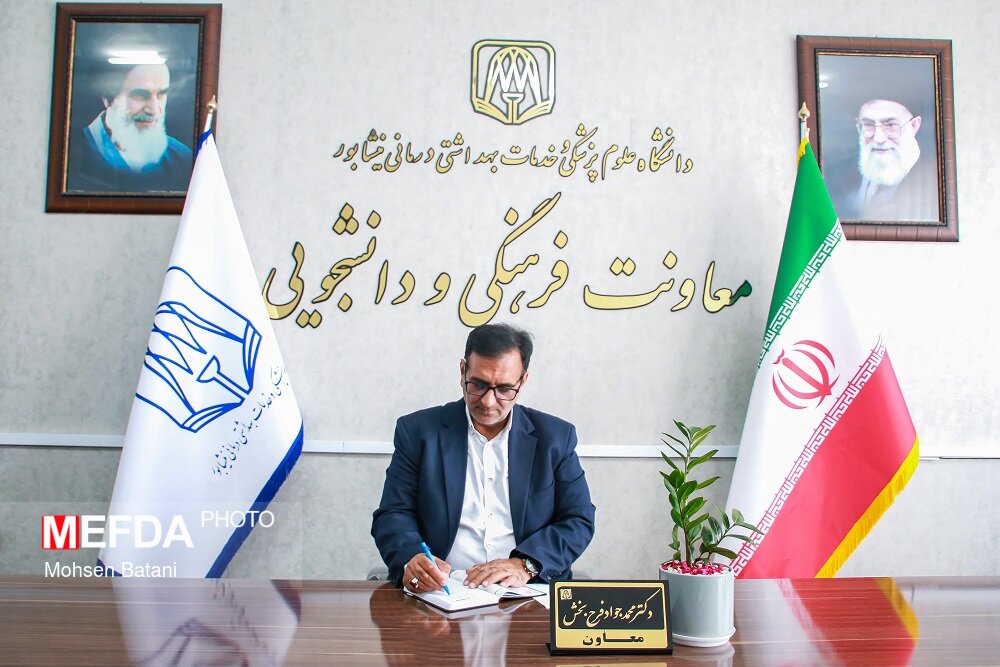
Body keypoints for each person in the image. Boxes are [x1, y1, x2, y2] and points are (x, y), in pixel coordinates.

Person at [371, 323, 595, 592]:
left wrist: (525, 565)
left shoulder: (555, 438)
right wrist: (412, 557)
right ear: (462, 371)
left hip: (528, 589)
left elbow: (578, 520)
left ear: (523, 381)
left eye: (504, 389)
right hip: (444, 590)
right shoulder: (418, 432)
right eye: (478, 385)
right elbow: (393, 513)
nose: (488, 401)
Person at [67, 62, 193, 193]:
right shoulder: (72, 156)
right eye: (141, 95)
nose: (154, 110)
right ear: (108, 98)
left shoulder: (183, 159)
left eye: (161, 95)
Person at [828, 98, 938, 222]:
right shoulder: (835, 175)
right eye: (869, 125)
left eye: (890, 125)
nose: (878, 138)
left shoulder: (935, 178)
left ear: (914, 125)